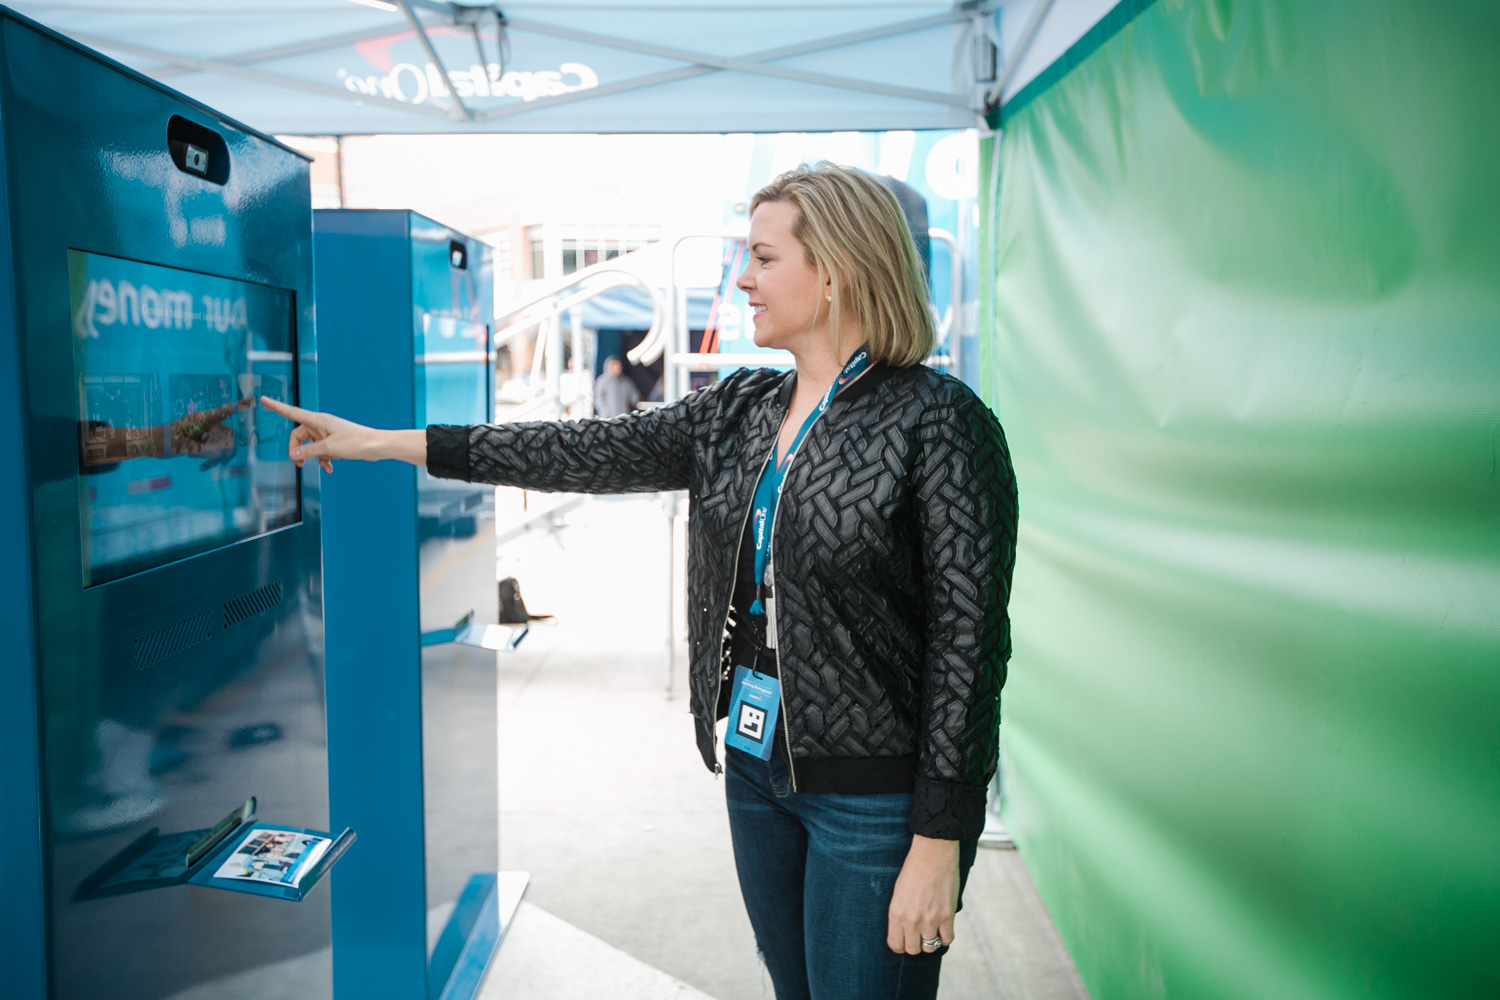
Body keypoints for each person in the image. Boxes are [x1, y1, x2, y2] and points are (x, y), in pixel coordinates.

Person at [263, 162, 1017, 1000]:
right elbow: (577, 449)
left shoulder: (939, 421)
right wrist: (381, 443)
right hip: (757, 770)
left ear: (835, 268)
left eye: (763, 258)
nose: (743, 278)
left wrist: (941, 836)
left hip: (873, 802)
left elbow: (969, 647)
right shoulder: (741, 408)